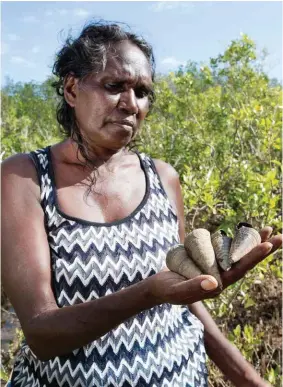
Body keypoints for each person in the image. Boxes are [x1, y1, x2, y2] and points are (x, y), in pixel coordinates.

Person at [1, 21, 282, 387]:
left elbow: (183, 292)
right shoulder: (24, 178)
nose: (131, 104)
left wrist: (246, 377)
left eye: (143, 91)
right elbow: (41, 333)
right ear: (72, 89)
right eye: (114, 86)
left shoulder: (163, 178)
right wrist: (149, 292)